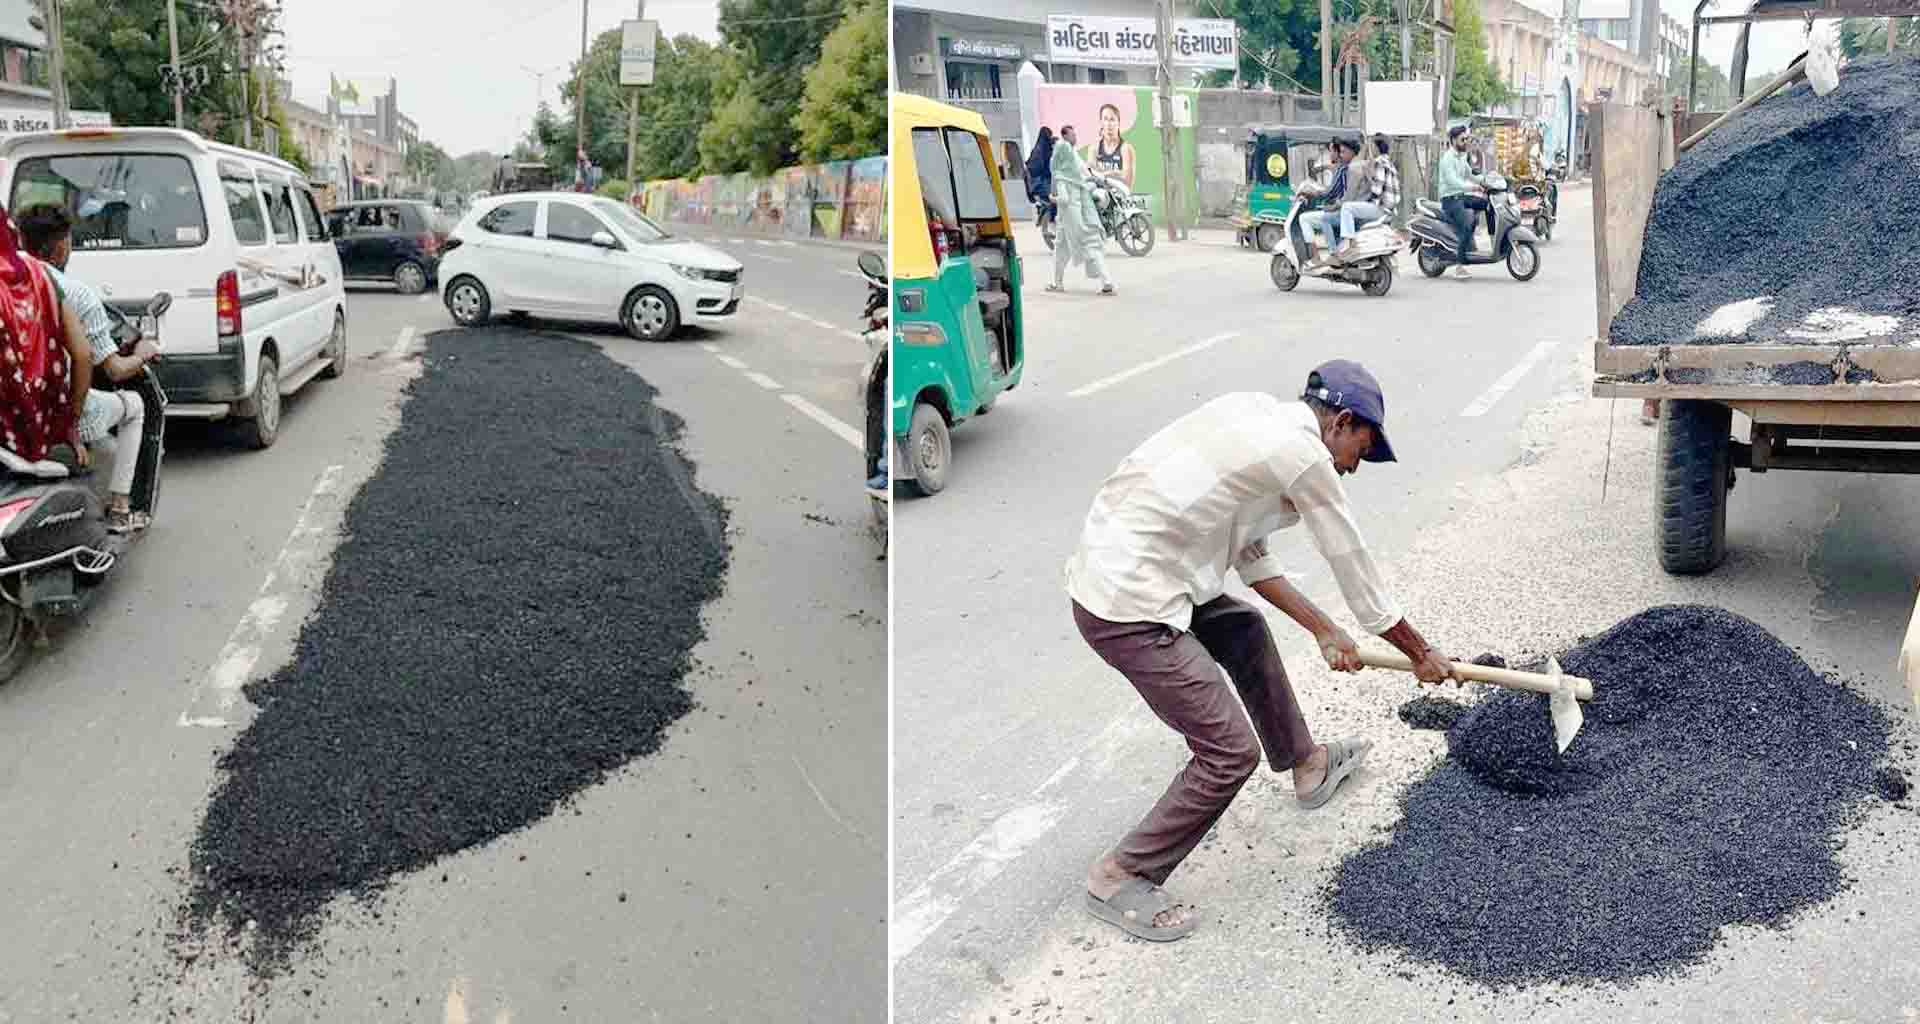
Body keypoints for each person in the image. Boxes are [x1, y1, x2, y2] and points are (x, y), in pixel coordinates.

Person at [1066, 360, 1455, 942]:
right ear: (1340, 423)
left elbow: (1250, 558)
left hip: (1149, 571)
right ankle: (1121, 874)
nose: (1352, 468)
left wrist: (1323, 628)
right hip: (1127, 604)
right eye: (1359, 451)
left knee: (1244, 628)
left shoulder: (1256, 417)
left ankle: (1308, 765)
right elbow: (1355, 568)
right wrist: (1420, 651)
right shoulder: (1302, 456)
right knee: (1227, 753)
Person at [16, 205, 159, 533]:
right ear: (63, 245)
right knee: (134, 406)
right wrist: (144, 354)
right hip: (50, 408)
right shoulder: (72, 292)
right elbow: (106, 367)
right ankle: (121, 509)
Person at [0, 209, 91, 472]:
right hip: (37, 423)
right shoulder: (38, 274)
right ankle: (120, 506)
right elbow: (83, 354)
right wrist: (70, 423)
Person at [1047, 125, 1115, 296]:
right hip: (1067, 218)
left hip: (1071, 217)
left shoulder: (1063, 178)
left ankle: (1107, 283)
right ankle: (1057, 283)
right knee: (1060, 249)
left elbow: (1064, 199)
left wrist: (1052, 199)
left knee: (1089, 247)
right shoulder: (1075, 175)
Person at [1332, 135, 1400, 262]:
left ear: (1375, 147)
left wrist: (1369, 175)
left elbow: (1376, 191)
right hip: (1390, 209)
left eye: (1371, 146)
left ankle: (1349, 243)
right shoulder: (1389, 162)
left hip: (1381, 208)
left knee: (1347, 208)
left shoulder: (1379, 162)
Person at [1437, 125, 1490, 280]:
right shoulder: (1447, 159)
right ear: (1454, 140)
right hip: (1450, 199)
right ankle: (1459, 266)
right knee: (1467, 221)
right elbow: (1453, 181)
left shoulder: (1461, 157)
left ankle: (1477, 242)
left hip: (1460, 196)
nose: (1466, 142)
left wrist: (1487, 181)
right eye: (1463, 139)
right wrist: (1473, 187)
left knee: (1486, 204)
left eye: (1467, 138)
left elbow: (1470, 173)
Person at [1088, 103, 1136, 190]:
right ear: (1101, 122)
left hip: (1119, 197)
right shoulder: (1094, 149)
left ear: (1118, 122)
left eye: (1112, 119)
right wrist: (1116, 173)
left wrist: (1103, 174)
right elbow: (1091, 177)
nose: (1109, 124)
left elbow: (1127, 183)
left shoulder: (1126, 149)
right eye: (1105, 119)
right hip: (1100, 197)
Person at [1025, 127, 1056, 228]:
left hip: (1043, 181)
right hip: (1038, 184)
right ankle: (1052, 221)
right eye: (1049, 136)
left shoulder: (1044, 149)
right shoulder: (1039, 151)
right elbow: (1037, 169)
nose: (1050, 138)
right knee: (1055, 197)